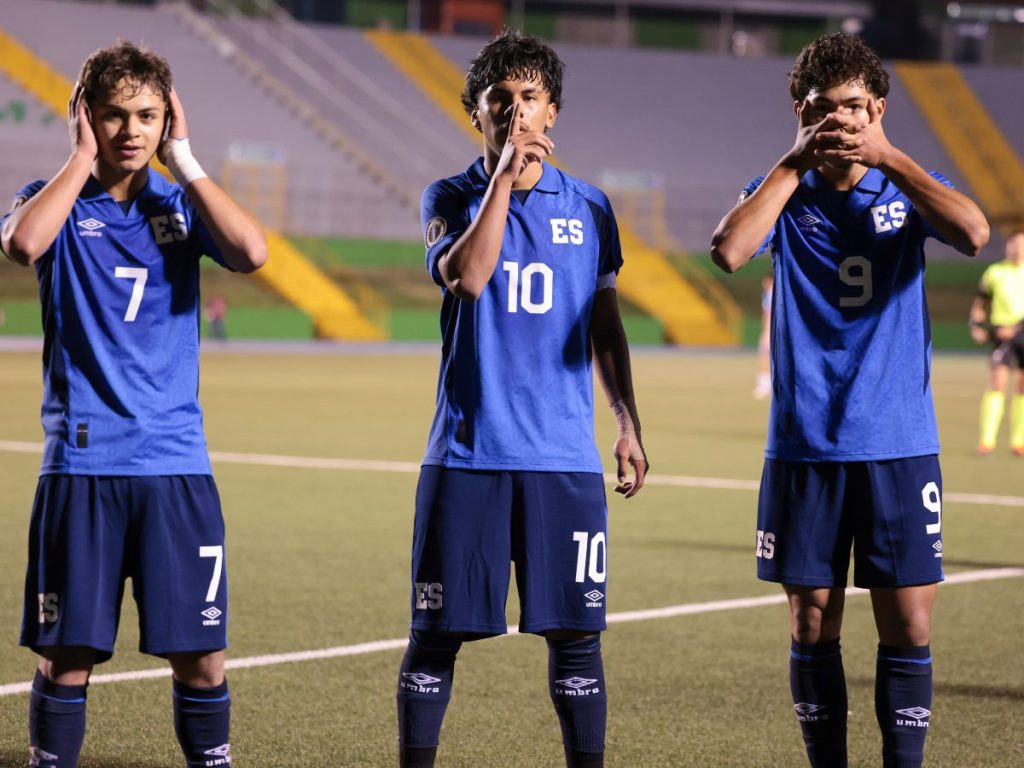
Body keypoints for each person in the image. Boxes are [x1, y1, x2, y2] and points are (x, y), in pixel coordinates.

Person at [710, 33, 988, 768]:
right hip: (806, 443)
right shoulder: (783, 188)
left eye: (854, 108)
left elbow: (974, 231)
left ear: (879, 108)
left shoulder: (905, 182)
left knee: (908, 618)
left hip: (898, 439)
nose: (841, 121)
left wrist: (887, 154)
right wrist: (792, 159)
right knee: (810, 620)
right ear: (800, 110)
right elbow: (730, 250)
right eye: (825, 109)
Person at [0, 41, 267, 767]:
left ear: (166, 118)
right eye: (114, 114)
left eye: (147, 114)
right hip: (82, 469)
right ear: (86, 117)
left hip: (176, 468)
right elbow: (24, 245)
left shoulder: (181, 205)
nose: (131, 129)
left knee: (202, 656)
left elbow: (252, 251)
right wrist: (80, 160)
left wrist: (186, 161)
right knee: (69, 654)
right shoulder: (47, 198)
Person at [396, 30, 648, 768]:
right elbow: (469, 277)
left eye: (528, 99)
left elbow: (604, 325)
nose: (514, 112)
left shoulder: (593, 208)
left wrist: (627, 422)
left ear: (553, 111)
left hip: (563, 460)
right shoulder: (448, 197)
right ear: (476, 113)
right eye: (498, 100)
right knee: (435, 635)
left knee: (577, 638)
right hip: (467, 454)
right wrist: (503, 181)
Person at [969, 230, 1024, 456]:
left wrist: (1016, 328)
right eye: (1014, 244)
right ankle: (987, 440)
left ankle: (1018, 441)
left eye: (1022, 245)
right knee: (997, 382)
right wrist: (976, 325)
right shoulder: (995, 272)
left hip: (1021, 332)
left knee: (1022, 386)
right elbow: (981, 302)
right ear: (1006, 247)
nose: (1018, 249)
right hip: (1001, 335)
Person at [753, 272, 774, 399]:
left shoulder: (775, 292)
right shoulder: (766, 294)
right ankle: (764, 382)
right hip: (769, 328)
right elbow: (765, 313)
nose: (764, 284)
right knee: (765, 354)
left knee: (767, 355)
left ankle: (765, 383)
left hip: (773, 328)